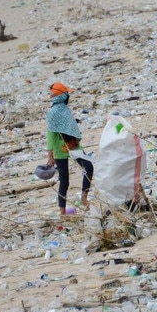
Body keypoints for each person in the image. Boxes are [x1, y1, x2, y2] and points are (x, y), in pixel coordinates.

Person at [45, 82, 94, 216]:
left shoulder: (65, 110)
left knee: (88, 167)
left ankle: (84, 197)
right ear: (62, 96)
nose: (68, 96)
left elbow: (71, 128)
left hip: (73, 145)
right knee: (64, 181)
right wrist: (50, 155)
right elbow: (50, 135)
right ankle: (62, 214)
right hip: (60, 149)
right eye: (66, 94)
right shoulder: (52, 112)